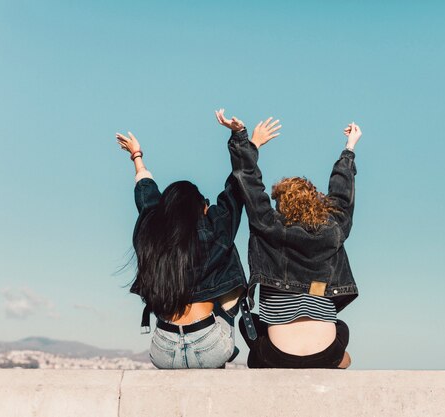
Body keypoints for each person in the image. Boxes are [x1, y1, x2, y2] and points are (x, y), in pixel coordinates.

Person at [217, 109, 362, 368]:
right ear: (317, 202)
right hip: (325, 351)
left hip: (277, 353)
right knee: (342, 329)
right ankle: (333, 357)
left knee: (249, 324)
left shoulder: (268, 225)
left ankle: (276, 357)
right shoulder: (334, 229)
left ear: (280, 203)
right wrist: (349, 148)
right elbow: (342, 196)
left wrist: (241, 138)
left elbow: (249, 182)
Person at [115, 128, 247, 369]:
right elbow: (234, 194)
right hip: (209, 346)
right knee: (224, 254)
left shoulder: (152, 233)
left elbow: (147, 198)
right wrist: (244, 143)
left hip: (162, 350)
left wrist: (137, 155)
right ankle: (222, 339)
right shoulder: (213, 229)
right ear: (200, 207)